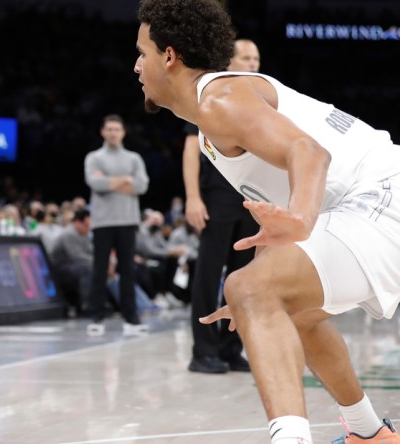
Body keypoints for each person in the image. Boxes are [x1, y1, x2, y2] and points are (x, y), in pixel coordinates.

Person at [136, 1, 400, 443]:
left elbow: (310, 154)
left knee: (250, 287)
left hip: (383, 196)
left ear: (169, 56)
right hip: (366, 202)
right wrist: (260, 291)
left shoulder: (220, 98)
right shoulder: (209, 127)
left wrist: (284, 242)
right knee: (280, 305)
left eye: (142, 52)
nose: (136, 65)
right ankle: (368, 433)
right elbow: (274, 212)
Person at [182, 39, 261, 374]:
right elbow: (190, 150)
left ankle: (231, 349)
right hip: (217, 196)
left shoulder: (262, 98)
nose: (254, 63)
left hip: (251, 197)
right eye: (247, 57)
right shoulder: (210, 94)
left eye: (257, 58)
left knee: (242, 278)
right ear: (230, 60)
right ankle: (203, 350)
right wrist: (193, 197)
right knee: (209, 274)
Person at [84, 114, 149, 336]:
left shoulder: (133, 158)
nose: (113, 133)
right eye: (109, 129)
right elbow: (95, 183)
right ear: (103, 131)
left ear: (123, 132)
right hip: (102, 221)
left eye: (116, 129)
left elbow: (141, 186)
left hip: (127, 220)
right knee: (100, 270)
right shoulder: (94, 157)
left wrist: (110, 181)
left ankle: (131, 318)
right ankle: (96, 316)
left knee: (128, 271)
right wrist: (126, 180)